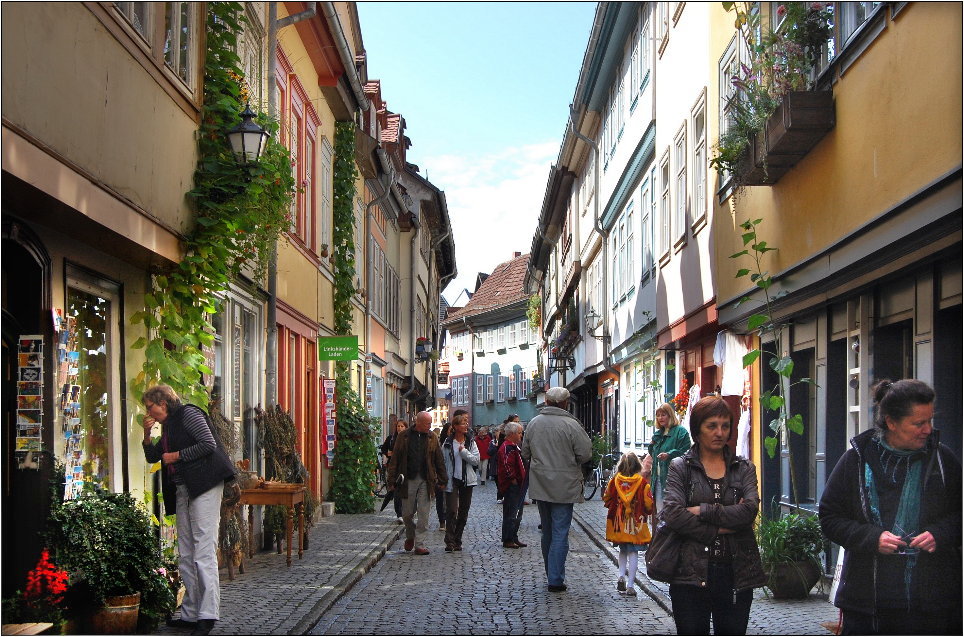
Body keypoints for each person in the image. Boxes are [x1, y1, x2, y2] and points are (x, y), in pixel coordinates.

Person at [819, 379, 962, 635]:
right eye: (919, 423)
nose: (928, 430)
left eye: (930, 420)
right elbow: (830, 517)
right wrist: (872, 538)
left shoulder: (943, 460)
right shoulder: (856, 460)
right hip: (867, 603)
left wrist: (940, 534)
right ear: (891, 422)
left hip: (934, 604)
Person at [662, 395, 766, 635]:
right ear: (697, 429)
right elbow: (673, 514)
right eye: (712, 426)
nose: (719, 432)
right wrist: (722, 526)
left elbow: (749, 511)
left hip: (736, 570)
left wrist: (702, 510)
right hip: (689, 571)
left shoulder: (744, 468)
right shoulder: (681, 467)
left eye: (725, 425)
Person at [141, 384, 235, 636]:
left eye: (150, 407)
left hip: (204, 484)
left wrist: (178, 456)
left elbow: (208, 444)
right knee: (186, 551)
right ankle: (190, 613)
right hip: (183, 488)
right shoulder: (169, 425)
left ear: (163, 403)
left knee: (203, 549)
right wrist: (147, 434)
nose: (148, 411)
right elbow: (154, 457)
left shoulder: (189, 414)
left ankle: (207, 614)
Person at [520, 386, 592, 592]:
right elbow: (585, 453)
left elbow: (525, 452)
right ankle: (555, 578)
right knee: (561, 532)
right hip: (565, 484)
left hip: (541, 483)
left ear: (547, 402)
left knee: (548, 531)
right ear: (565, 403)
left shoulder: (534, 424)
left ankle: (550, 572)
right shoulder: (572, 425)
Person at [387, 411, 447, 555]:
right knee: (407, 513)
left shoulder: (432, 437)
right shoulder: (404, 436)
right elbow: (395, 458)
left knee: (423, 513)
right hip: (408, 479)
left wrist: (443, 479)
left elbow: (439, 459)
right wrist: (391, 479)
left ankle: (419, 544)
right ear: (418, 422)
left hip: (426, 480)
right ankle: (410, 535)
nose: (430, 426)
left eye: (430, 423)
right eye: (427, 423)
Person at [603, 451, 654, 597]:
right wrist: (648, 512)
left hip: (619, 523)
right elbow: (648, 503)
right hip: (635, 524)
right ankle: (631, 585)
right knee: (633, 553)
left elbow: (607, 497)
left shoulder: (615, 481)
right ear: (637, 465)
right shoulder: (642, 483)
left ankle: (620, 575)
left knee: (623, 550)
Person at [441, 409, 480, 551]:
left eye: (466, 423)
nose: (466, 426)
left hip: (467, 480)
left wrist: (463, 452)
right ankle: (449, 541)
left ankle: (458, 539)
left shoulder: (470, 442)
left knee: (463, 512)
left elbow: (476, 460)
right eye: (463, 423)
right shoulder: (447, 443)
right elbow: (442, 461)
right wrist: (442, 478)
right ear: (456, 426)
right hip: (452, 480)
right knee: (451, 510)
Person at [648, 402, 691, 512]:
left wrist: (669, 454)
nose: (660, 418)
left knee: (672, 512)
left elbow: (686, 452)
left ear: (670, 415)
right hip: (658, 479)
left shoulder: (681, 432)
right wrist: (652, 444)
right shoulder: (659, 434)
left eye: (663, 415)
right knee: (660, 512)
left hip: (673, 480)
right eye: (658, 415)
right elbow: (653, 455)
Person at [497, 421, 527, 549]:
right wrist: (513, 479)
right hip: (512, 486)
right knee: (511, 513)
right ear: (512, 434)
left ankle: (513, 536)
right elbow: (506, 465)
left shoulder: (514, 446)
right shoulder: (507, 447)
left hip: (518, 485)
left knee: (516, 513)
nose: (521, 435)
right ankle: (508, 538)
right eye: (519, 433)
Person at [381, 419, 407, 522]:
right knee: (397, 491)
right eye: (398, 426)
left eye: (402, 426)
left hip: (406, 468)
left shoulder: (408, 438)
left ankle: (406, 512)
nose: (400, 428)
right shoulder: (391, 438)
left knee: (406, 491)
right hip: (394, 468)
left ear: (405, 427)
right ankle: (399, 514)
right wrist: (388, 454)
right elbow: (384, 449)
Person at [435, 421, 451, 530]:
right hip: (440, 475)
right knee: (440, 498)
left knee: (451, 499)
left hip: (452, 475)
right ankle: (442, 520)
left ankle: (450, 519)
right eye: (450, 431)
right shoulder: (439, 443)